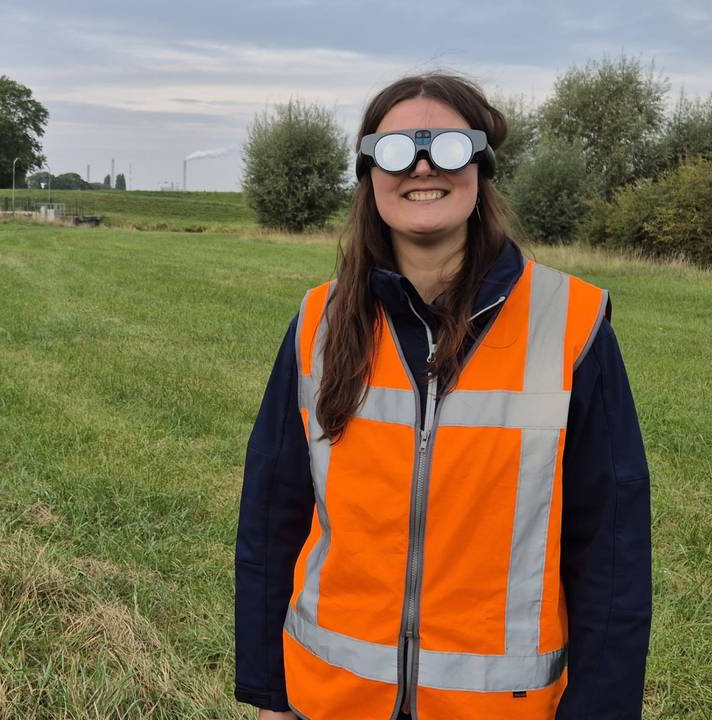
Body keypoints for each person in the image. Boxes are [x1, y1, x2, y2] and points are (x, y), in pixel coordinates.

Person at [233, 73, 651, 720]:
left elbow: (612, 549)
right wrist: (270, 694)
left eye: (448, 146)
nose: (423, 166)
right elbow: (271, 516)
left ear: (480, 166)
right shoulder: (319, 321)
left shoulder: (572, 322)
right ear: (369, 173)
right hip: (331, 697)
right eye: (397, 149)